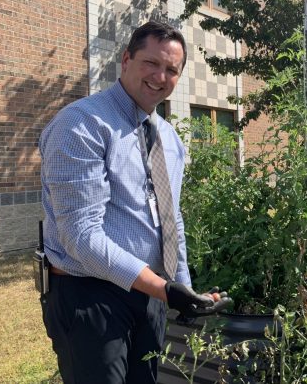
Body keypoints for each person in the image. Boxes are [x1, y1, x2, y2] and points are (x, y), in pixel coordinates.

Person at [39, 21, 230, 384]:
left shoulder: (170, 140)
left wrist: (183, 289)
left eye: (172, 69)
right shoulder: (81, 125)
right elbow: (80, 238)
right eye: (151, 63)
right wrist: (165, 290)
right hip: (90, 298)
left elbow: (170, 221)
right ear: (125, 59)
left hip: (149, 296)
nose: (160, 76)